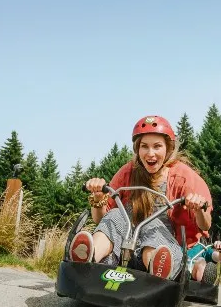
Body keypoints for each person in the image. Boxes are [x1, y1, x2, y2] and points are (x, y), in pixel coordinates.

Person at [69, 115, 212, 280]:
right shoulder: (128, 172)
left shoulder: (185, 177)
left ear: (168, 149)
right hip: (125, 251)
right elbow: (100, 219)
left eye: (157, 146)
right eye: (144, 146)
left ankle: (158, 270)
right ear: (138, 149)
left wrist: (199, 209)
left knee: (151, 223)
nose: (150, 153)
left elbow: (205, 224)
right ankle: (89, 257)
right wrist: (98, 197)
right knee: (116, 215)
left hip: (165, 247)